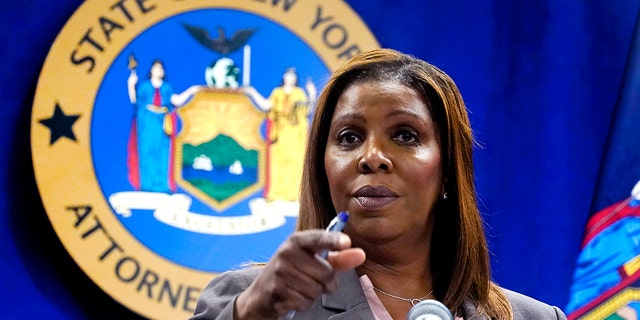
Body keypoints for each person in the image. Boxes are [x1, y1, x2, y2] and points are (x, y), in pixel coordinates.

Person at [191, 48, 567, 319]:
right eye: (349, 137)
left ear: (449, 169)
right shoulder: (246, 301)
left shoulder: (533, 317)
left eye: (405, 136)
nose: (372, 157)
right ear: (323, 167)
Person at [127, 59, 201, 193]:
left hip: (162, 123)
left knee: (162, 153)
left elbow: (176, 100)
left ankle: (161, 185)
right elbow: (135, 101)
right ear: (151, 70)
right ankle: (147, 185)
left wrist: (191, 91)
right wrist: (131, 85)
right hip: (146, 123)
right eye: (156, 68)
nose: (158, 70)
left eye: (161, 68)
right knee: (147, 152)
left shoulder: (166, 88)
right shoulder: (144, 86)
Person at [243, 67, 316, 202]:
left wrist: (312, 94)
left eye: (293, 76)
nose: (290, 78)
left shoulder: (299, 93)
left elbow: (307, 110)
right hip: (280, 133)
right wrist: (252, 92)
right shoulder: (277, 93)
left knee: (295, 162)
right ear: (284, 77)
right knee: (277, 162)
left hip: (295, 135)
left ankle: (294, 194)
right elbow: (266, 106)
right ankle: (276, 193)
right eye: (288, 75)